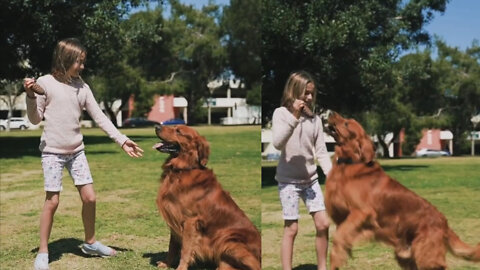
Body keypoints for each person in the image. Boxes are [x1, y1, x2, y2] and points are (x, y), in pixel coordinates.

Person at [23, 38, 144, 270]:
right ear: (65, 59)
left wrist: (122, 140)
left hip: (76, 152)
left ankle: (90, 243)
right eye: (79, 62)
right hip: (52, 153)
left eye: (83, 62)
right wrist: (30, 96)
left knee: (90, 198)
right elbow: (34, 119)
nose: (82, 66)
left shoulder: (82, 87)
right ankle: (43, 252)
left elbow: (100, 117)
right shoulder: (45, 83)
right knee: (52, 201)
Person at [271, 71, 332, 270]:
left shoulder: (315, 121)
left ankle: (322, 267)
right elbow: (278, 143)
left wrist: (332, 175)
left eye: (312, 94)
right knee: (292, 228)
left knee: (323, 224)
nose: (309, 97)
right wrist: (295, 117)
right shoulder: (281, 114)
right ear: (294, 91)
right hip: (288, 181)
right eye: (306, 93)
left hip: (311, 181)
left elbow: (321, 152)